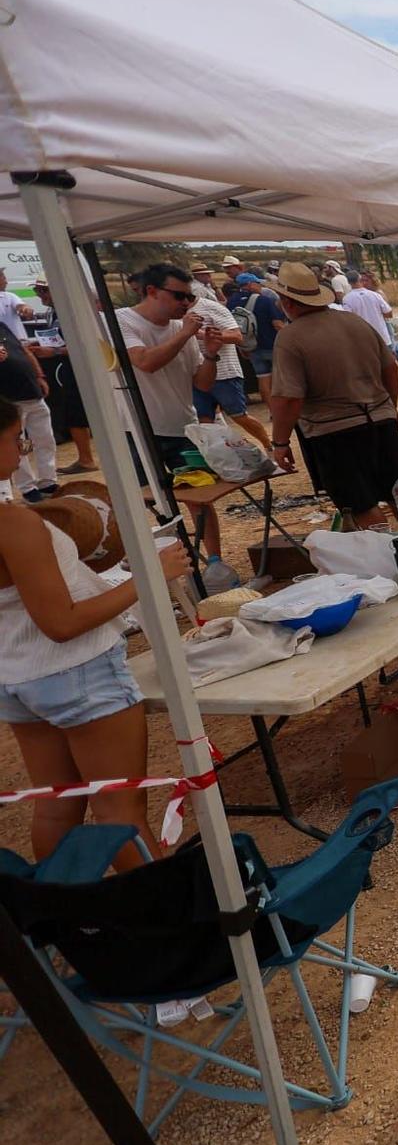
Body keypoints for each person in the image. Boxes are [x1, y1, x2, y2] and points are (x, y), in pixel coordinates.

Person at [0, 397, 190, 867]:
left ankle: (62, 920)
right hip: (74, 670)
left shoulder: (16, 516)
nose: (23, 450)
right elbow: (62, 623)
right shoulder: (13, 524)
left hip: (17, 676)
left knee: (57, 807)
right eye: (17, 439)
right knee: (119, 812)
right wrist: (147, 576)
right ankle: (160, 924)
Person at [265, 262, 398, 529]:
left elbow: (289, 398)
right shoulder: (354, 322)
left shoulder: (291, 337)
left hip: (334, 431)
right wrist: (389, 408)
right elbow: (390, 369)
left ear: (286, 301)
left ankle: (392, 559)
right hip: (380, 419)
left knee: (360, 503)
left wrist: (280, 442)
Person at [115, 264, 222, 558]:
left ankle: (214, 562)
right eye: (179, 296)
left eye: (190, 298)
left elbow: (202, 382)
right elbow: (145, 362)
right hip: (138, 430)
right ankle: (174, 563)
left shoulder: (180, 329)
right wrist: (186, 334)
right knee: (151, 503)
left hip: (181, 428)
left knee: (200, 500)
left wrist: (211, 353)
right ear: (152, 291)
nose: (186, 304)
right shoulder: (122, 321)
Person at [180, 272, 271, 449]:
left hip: (224, 373)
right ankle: (224, 457)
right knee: (205, 420)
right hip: (197, 375)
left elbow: (237, 336)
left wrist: (202, 334)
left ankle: (268, 445)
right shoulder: (175, 314)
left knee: (238, 415)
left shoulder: (210, 307)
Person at [24, 280, 95, 474]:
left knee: (77, 414)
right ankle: (85, 458)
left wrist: (53, 352)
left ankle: (87, 460)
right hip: (66, 369)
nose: (39, 294)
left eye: (44, 290)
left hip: (77, 369)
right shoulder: (53, 311)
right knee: (74, 414)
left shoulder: (71, 312)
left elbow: (84, 344)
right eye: (36, 290)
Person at [0, 320, 56, 502]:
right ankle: (27, 488)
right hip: (9, 398)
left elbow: (24, 350)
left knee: (45, 438)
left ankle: (48, 481)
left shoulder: (2, 325)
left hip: (31, 391)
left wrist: (39, 375)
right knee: (17, 445)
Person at [341, 270, 397, 348]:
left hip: (364, 339)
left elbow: (348, 319)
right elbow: (389, 313)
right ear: (359, 279)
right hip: (382, 336)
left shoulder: (347, 299)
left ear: (348, 282)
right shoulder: (375, 295)